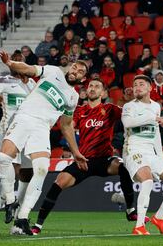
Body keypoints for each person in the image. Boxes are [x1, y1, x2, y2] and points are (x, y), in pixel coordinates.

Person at [32, 79, 143, 235]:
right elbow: (67, 128)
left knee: (123, 166)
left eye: (97, 86)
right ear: (86, 90)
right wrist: (76, 153)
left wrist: (131, 99)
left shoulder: (110, 109)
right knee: (58, 182)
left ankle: (131, 210)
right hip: (84, 160)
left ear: (103, 93)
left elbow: (131, 114)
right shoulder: (79, 111)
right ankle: (38, 225)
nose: (93, 88)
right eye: (90, 86)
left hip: (105, 160)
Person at [0, 51, 88, 235]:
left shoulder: (73, 98)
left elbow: (67, 125)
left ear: (82, 79)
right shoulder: (53, 71)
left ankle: (22, 217)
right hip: (24, 117)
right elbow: (29, 69)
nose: (75, 71)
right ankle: (9, 201)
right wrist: (11, 63)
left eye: (79, 71)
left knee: (41, 169)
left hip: (42, 128)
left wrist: (76, 151)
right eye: (74, 67)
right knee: (5, 157)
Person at [122, 75, 163, 235]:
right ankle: (139, 226)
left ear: (150, 88)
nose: (137, 87)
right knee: (148, 180)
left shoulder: (156, 107)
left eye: (141, 84)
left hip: (150, 152)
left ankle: (159, 217)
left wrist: (161, 158)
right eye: (135, 84)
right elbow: (128, 124)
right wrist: (151, 118)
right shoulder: (129, 106)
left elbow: (156, 132)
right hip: (133, 150)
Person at [0, 52, 37, 236]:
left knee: (26, 175)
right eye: (16, 63)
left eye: (21, 63)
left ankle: (17, 221)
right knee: (11, 172)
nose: (19, 66)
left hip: (28, 133)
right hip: (8, 132)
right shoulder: (4, 80)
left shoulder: (33, 84)